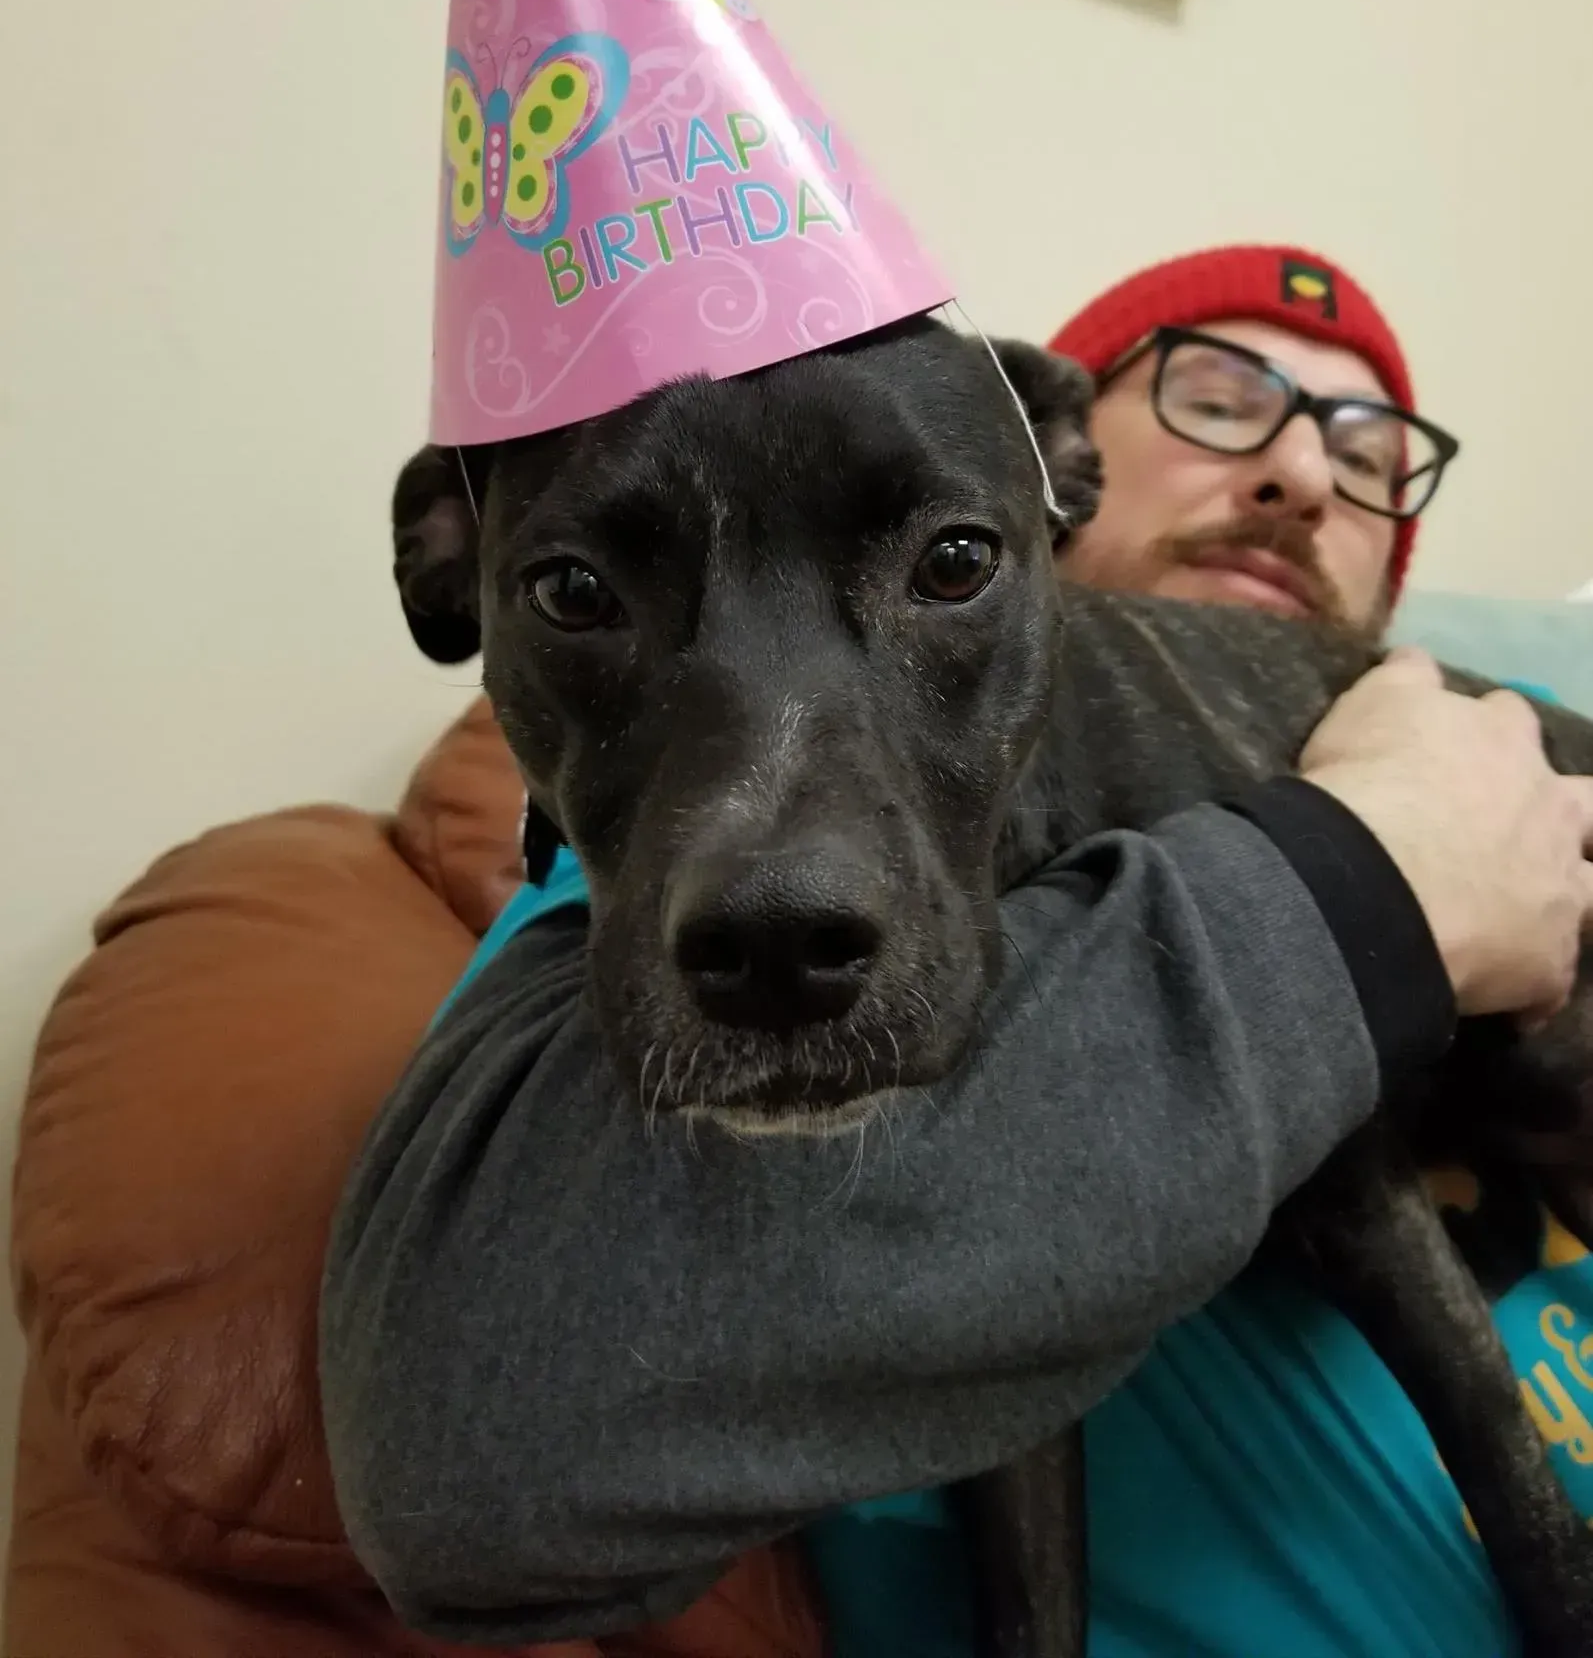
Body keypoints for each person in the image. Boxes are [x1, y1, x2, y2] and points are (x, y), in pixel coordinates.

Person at [320, 245, 1593, 1657]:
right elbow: (468, 1463)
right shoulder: (648, 872)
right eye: (1220, 397)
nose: (1297, 469)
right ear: (1061, 463)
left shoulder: (1506, 732)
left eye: (1367, 447)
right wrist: (1385, 876)